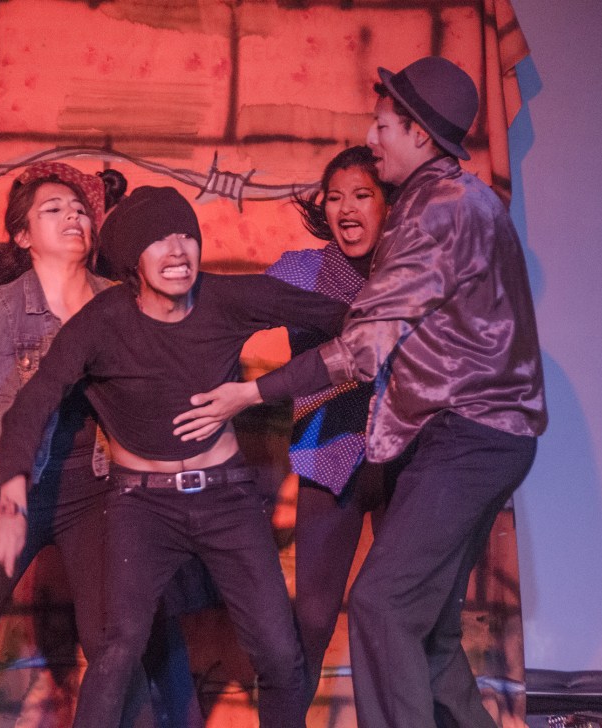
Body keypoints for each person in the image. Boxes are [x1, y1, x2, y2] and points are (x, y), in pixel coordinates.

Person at [175, 57, 547, 728]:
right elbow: (247, 301)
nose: (372, 140)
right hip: (413, 447)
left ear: (419, 134)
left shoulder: (434, 211)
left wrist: (249, 395)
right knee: (426, 630)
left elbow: (361, 349)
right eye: (335, 195)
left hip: (459, 441)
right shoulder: (463, 202)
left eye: (382, 127)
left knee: (381, 605)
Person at [0, 185, 349, 728]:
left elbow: (352, 324)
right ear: (133, 259)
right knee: (117, 649)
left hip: (227, 497)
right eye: (159, 240)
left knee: (280, 653)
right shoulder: (101, 323)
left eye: (186, 236)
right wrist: (12, 493)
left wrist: (259, 392)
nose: (178, 250)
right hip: (142, 507)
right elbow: (32, 405)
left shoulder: (228, 298)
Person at [0, 162, 201, 728]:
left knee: (115, 645)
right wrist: (62, 355)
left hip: (96, 488)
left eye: (80, 209)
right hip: (11, 487)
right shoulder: (3, 310)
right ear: (23, 235)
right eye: (52, 209)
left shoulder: (122, 302)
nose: (73, 217)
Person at [264, 145, 396, 708]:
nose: (347, 209)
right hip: (328, 461)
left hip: (405, 465)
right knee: (312, 621)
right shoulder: (302, 271)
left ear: (388, 203)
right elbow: (231, 307)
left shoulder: (413, 273)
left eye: (362, 195)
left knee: (406, 621)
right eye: (335, 197)